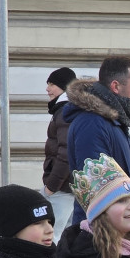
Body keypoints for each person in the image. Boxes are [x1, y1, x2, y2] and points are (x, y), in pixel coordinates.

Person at [65, 56, 130, 224]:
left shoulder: (114, 121)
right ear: (115, 86)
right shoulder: (92, 123)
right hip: (102, 234)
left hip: (119, 228)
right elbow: (99, 189)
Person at [42, 67, 77, 231]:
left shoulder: (64, 111)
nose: (47, 89)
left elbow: (66, 153)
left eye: (52, 84)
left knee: (51, 234)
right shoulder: (65, 109)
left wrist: (52, 186)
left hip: (61, 187)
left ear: (64, 86)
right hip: (65, 186)